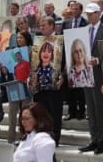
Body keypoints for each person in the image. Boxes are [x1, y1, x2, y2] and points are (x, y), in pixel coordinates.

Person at [79, 3, 103, 155]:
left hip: (100, 75)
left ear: (99, 13)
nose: (89, 16)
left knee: (100, 109)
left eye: (92, 13)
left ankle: (102, 141)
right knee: (91, 110)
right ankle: (93, 139)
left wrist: (98, 61)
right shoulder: (83, 31)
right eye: (87, 14)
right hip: (85, 74)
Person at [31, 17, 65, 146]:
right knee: (39, 113)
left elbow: (67, 61)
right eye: (40, 25)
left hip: (55, 85)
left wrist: (63, 76)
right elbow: (34, 62)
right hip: (39, 85)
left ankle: (54, 139)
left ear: (52, 26)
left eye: (44, 25)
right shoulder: (38, 41)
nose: (41, 27)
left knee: (55, 114)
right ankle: (41, 139)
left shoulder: (61, 40)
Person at [7, 31, 33, 145]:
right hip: (14, 85)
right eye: (17, 38)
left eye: (21, 38)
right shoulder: (13, 52)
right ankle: (11, 138)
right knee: (12, 111)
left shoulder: (32, 50)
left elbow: (34, 66)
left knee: (25, 112)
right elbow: (10, 67)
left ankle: (24, 137)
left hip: (26, 85)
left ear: (26, 38)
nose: (18, 40)